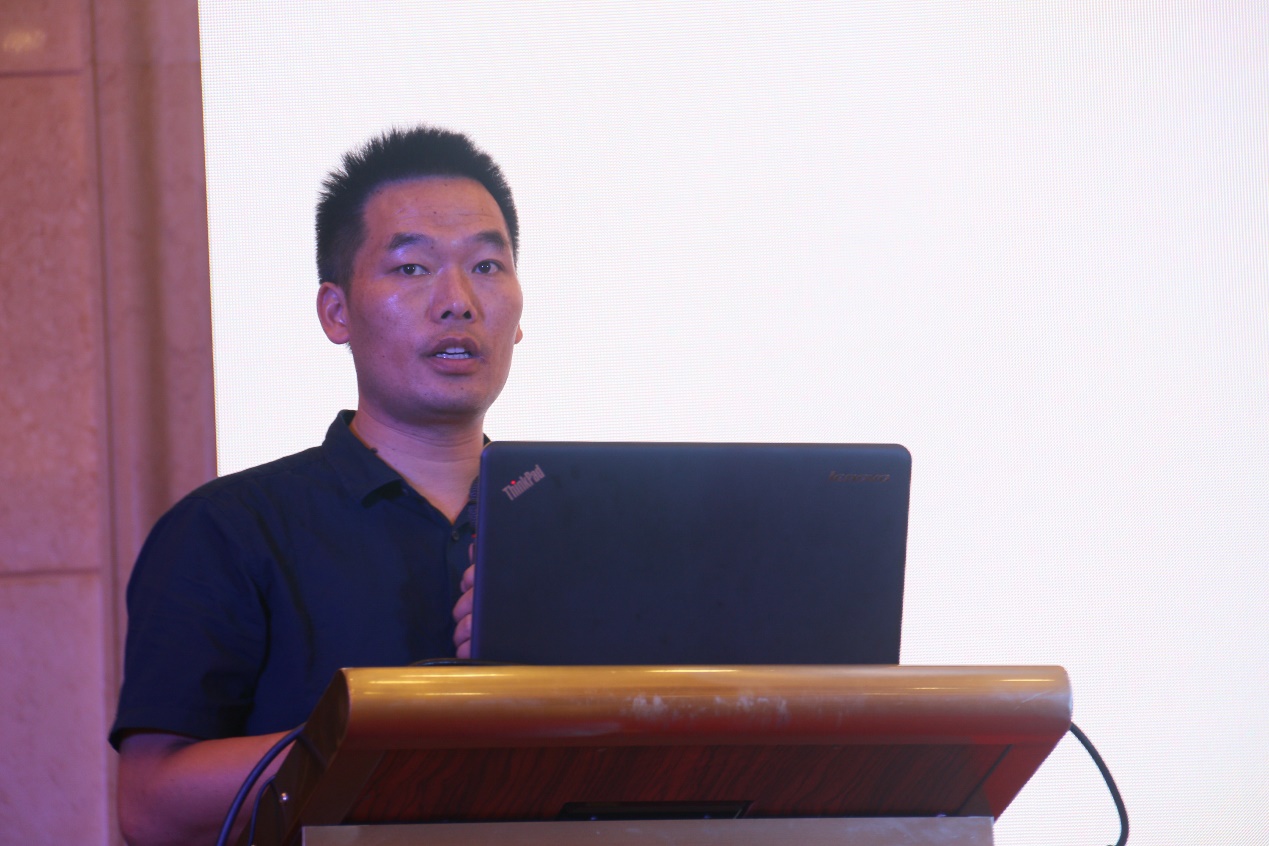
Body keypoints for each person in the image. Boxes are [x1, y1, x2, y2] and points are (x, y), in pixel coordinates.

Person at [111, 126, 524, 846]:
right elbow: (152, 806)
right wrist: (397, 730)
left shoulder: (576, 531)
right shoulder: (229, 529)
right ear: (336, 312)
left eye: (486, 266)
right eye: (412, 268)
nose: (458, 301)